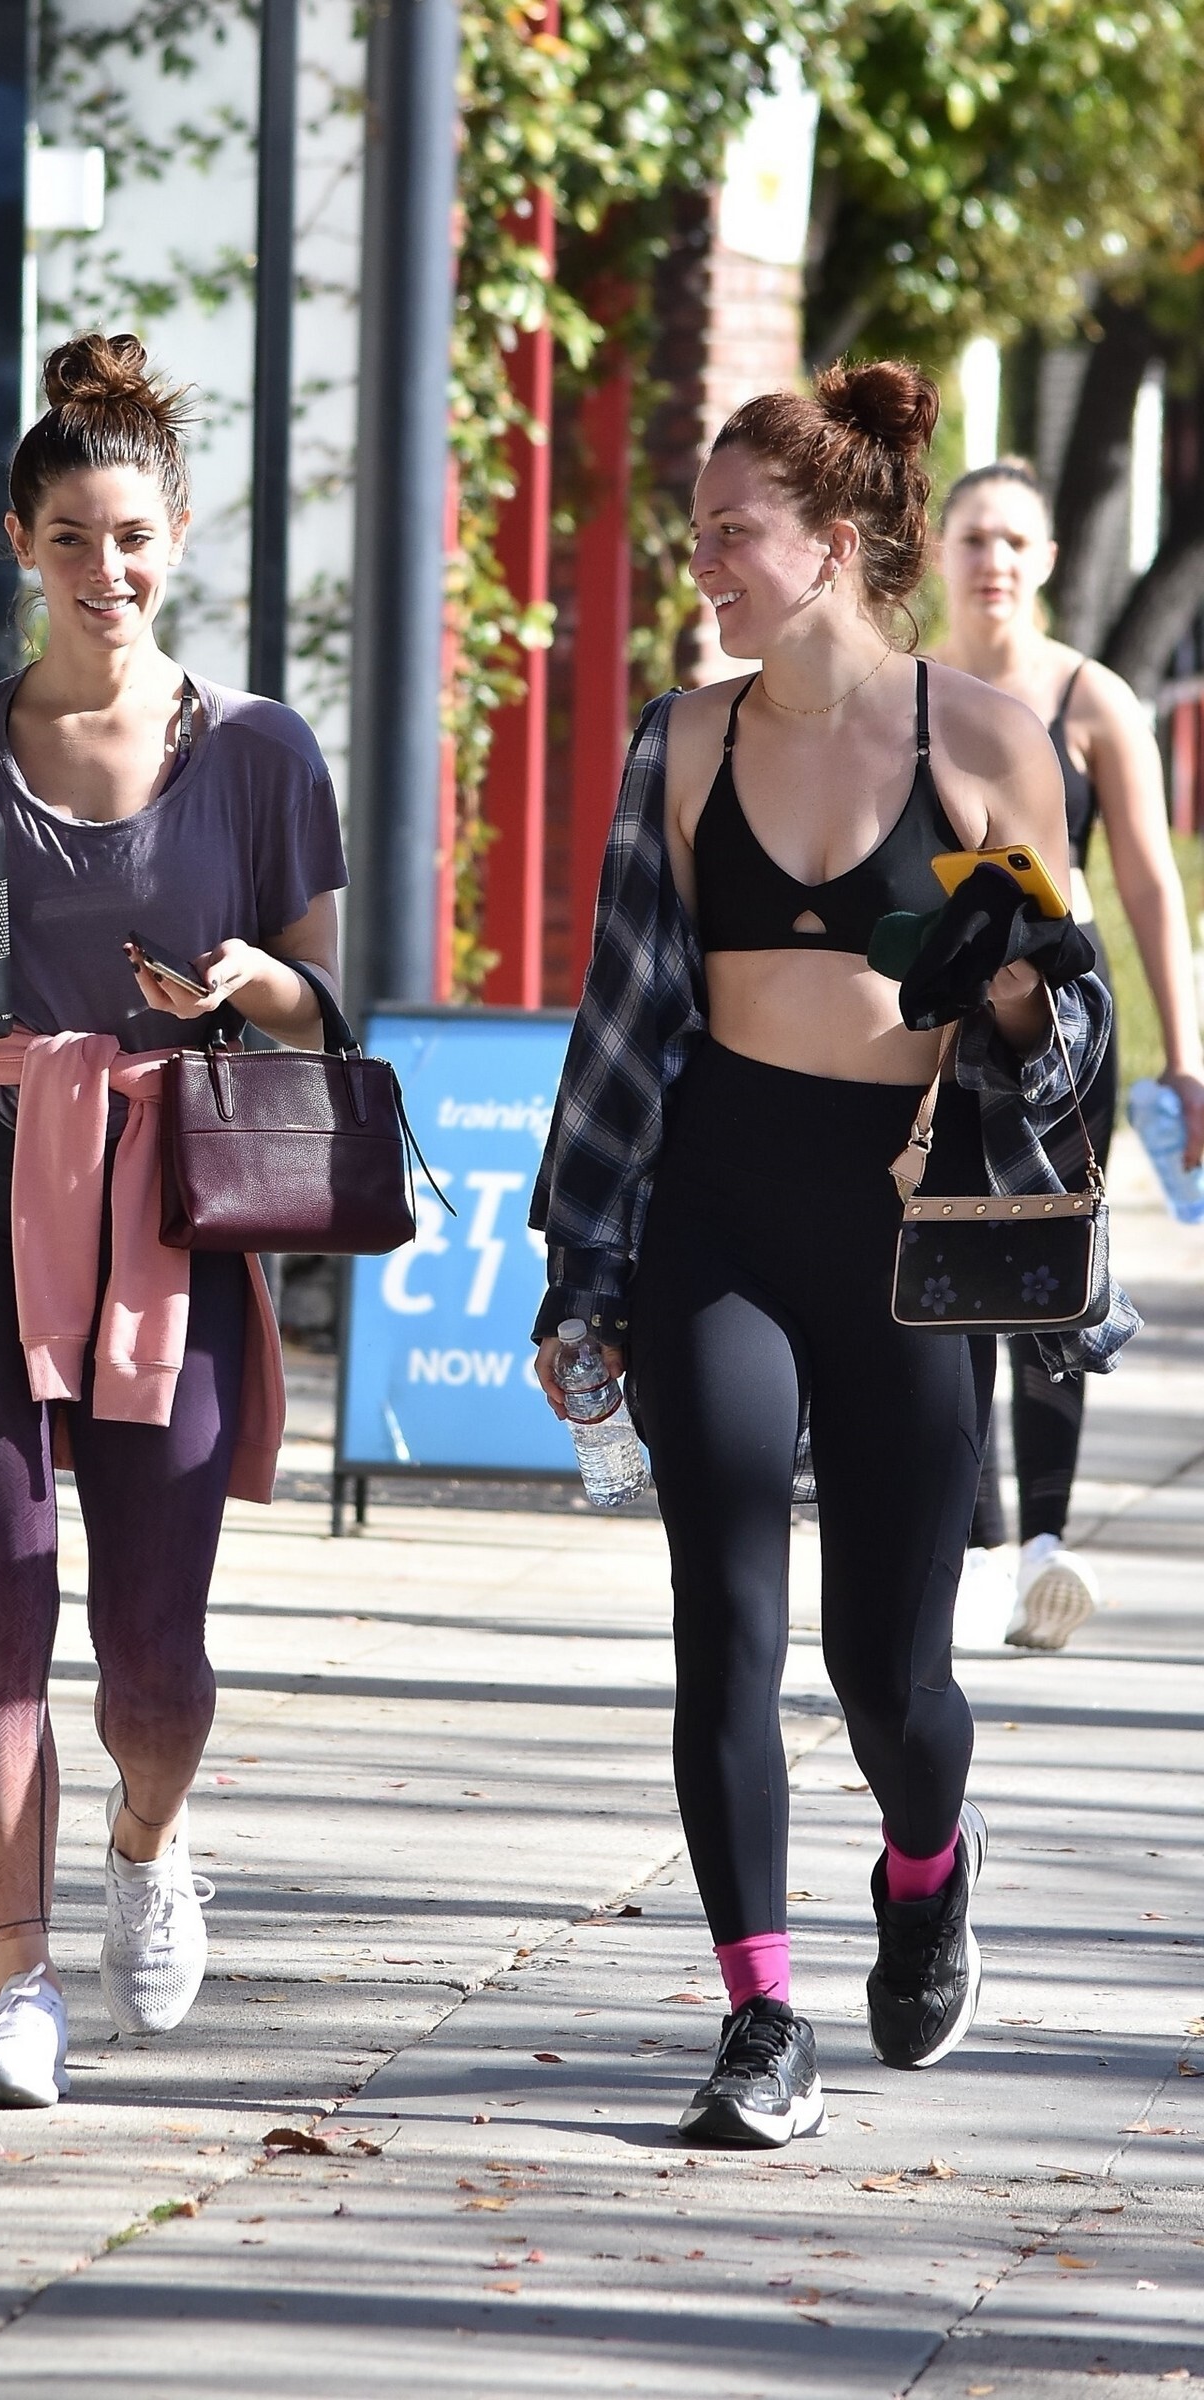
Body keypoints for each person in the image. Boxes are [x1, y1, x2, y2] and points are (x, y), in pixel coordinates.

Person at [531, 361, 1136, 2150]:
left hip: (909, 1238)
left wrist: (1013, 989)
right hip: (721, 1209)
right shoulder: (682, 742)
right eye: (699, 532)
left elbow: (1074, 1042)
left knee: (894, 1678)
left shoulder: (987, 743)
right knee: (722, 1622)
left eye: (735, 532)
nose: (704, 562)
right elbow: (624, 1019)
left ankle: (926, 1863)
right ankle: (757, 2016)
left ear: (836, 543)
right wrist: (586, 1263)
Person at [0, 333, 347, 2107]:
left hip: (169, 1203)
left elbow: (326, 1010)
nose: (104, 570)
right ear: (20, 545)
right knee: (2, 1591)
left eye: (132, 537)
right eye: (70, 538)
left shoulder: (260, 752)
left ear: (179, 534)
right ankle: (18, 1987)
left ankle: (149, 1835)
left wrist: (246, 982)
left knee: (153, 1652)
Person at [936, 458, 1204, 1650]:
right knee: (943, 1273)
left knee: (1046, 1268)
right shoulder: (904, 689)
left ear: (1045, 561)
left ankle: (1042, 1545)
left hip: (1061, 1036)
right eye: (973, 537)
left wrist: (1185, 1057)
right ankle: (975, 1545)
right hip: (937, 1028)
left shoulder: (1091, 700)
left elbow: (1149, 887)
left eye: (1013, 541)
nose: (992, 559)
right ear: (939, 551)